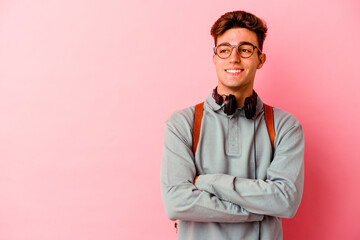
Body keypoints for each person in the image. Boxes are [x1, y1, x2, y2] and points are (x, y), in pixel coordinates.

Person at [160, 10, 304, 240]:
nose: (234, 58)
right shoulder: (182, 124)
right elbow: (176, 203)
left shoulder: (285, 126)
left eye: (245, 50)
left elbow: (285, 201)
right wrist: (258, 211)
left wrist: (207, 182)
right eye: (224, 50)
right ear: (214, 57)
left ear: (261, 59)